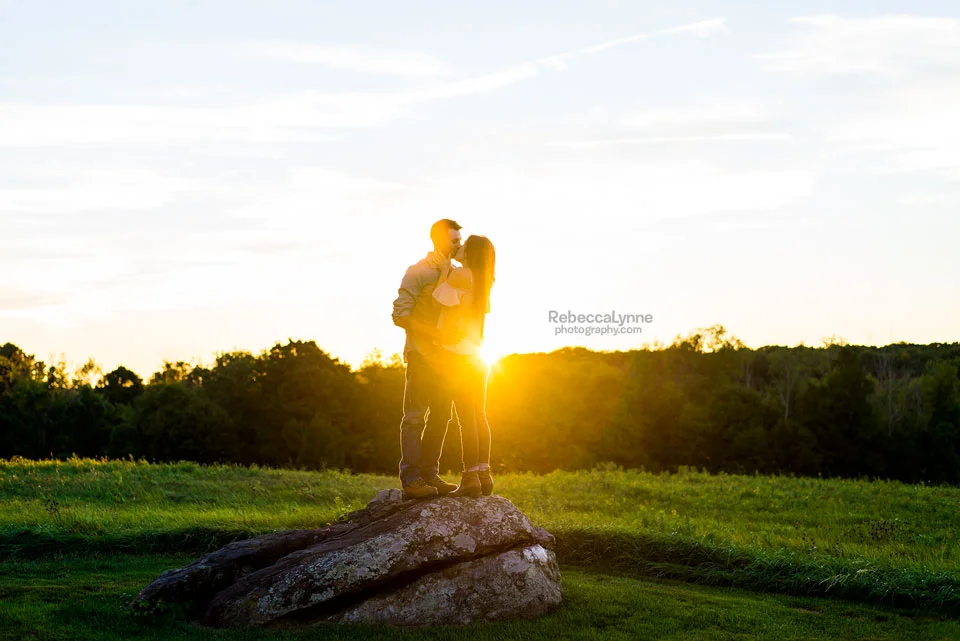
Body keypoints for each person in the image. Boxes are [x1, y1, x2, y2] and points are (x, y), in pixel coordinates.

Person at [391, 219, 464, 500]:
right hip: (421, 354)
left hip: (449, 358)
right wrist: (435, 333)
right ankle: (411, 479)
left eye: (459, 240)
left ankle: (429, 474)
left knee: (442, 415)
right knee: (415, 417)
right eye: (454, 240)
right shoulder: (418, 272)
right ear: (439, 240)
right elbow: (400, 315)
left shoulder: (457, 273)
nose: (458, 245)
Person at [427, 235, 496, 498]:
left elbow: (437, 296)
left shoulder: (460, 275)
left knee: (466, 419)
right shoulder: (485, 278)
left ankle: (470, 478)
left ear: (471, 252)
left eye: (464, 244)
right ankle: (483, 474)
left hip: (456, 356)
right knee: (479, 416)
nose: (460, 246)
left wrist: (445, 269)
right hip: (476, 357)